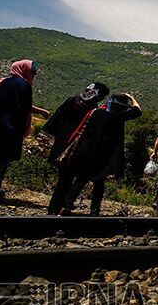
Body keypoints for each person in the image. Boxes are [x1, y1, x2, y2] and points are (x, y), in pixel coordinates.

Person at [55, 93, 142, 216]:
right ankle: (95, 209)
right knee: (99, 182)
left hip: (86, 151)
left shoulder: (95, 113)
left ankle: (66, 206)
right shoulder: (118, 116)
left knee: (80, 180)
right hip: (103, 154)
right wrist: (132, 98)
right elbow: (137, 111)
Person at [0, 60, 49, 203]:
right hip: (9, 128)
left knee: (0, 158)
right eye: (32, 71)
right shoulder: (23, 85)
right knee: (0, 160)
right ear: (24, 69)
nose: (34, 74)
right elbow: (25, 106)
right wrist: (42, 112)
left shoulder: (3, 82)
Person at [45, 82, 110, 215]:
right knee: (67, 179)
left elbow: (55, 120)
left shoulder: (72, 100)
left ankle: (55, 207)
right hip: (76, 149)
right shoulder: (94, 110)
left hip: (61, 143)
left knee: (63, 177)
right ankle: (57, 208)